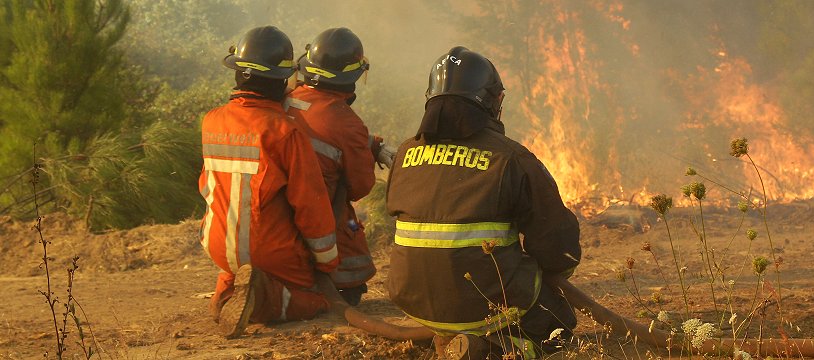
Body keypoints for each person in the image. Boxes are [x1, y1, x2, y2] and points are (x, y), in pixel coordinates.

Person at [384, 46, 582, 359]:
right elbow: (558, 245)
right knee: (557, 323)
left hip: (413, 303)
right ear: (494, 101)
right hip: (487, 307)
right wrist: (552, 277)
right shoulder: (511, 158)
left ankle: (447, 336)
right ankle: (490, 349)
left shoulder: (405, 153)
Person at [199, 25, 339, 339]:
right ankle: (265, 302)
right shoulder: (285, 132)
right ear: (280, 80)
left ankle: (226, 291)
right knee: (317, 298)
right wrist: (327, 263)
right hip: (270, 253)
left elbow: (207, 187)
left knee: (239, 255)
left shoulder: (211, 121)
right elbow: (310, 206)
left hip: (218, 247)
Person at [284, 27, 387, 305]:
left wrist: (369, 144)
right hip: (319, 213)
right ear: (350, 78)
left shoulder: (285, 99)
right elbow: (359, 187)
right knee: (350, 223)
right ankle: (344, 283)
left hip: (276, 209)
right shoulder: (346, 122)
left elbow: (316, 129)